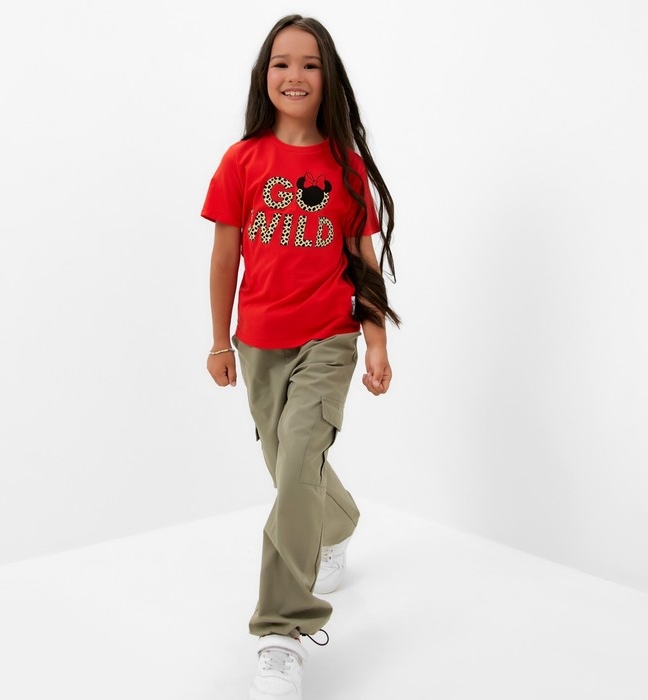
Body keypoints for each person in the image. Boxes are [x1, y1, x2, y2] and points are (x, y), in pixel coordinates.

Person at [201, 14, 400, 700]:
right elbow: (224, 258)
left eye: (310, 64)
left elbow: (364, 262)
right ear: (264, 76)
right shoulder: (242, 161)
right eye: (281, 63)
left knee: (295, 464)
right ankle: (336, 522)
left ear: (328, 77)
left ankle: (281, 631)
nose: (295, 75)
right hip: (259, 342)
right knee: (289, 467)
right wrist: (220, 339)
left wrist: (376, 341)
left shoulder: (345, 168)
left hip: (329, 339)